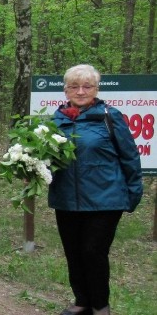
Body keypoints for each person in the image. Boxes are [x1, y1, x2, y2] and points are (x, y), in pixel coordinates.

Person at [50, 65, 142, 315]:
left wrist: (133, 194)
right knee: (73, 251)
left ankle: (100, 305)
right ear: (66, 89)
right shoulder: (56, 119)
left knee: (93, 251)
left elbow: (130, 157)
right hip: (67, 198)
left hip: (106, 198)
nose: (80, 91)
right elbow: (45, 158)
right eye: (74, 86)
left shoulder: (110, 117)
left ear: (96, 89)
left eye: (87, 86)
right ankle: (81, 301)